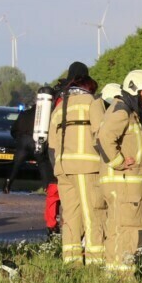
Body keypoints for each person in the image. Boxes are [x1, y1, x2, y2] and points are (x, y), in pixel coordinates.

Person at [96, 69, 142, 274]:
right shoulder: (122, 111)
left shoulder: (125, 110)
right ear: (133, 91)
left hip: (118, 183)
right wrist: (119, 161)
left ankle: (114, 271)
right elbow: (104, 138)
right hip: (124, 183)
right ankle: (125, 274)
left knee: (116, 229)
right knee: (130, 230)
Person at [47, 62, 106, 266]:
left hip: (63, 169)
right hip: (87, 168)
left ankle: (71, 263)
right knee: (93, 215)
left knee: (70, 218)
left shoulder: (60, 105)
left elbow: (52, 143)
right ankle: (94, 262)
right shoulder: (92, 102)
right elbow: (102, 136)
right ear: (87, 80)